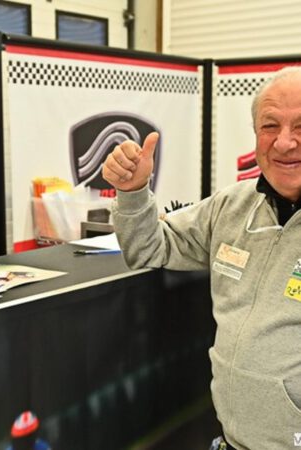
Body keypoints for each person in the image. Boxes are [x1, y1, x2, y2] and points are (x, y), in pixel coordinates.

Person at [102, 66, 301, 450]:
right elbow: (150, 247)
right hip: (232, 438)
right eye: (270, 126)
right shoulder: (231, 206)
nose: (284, 142)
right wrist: (134, 191)